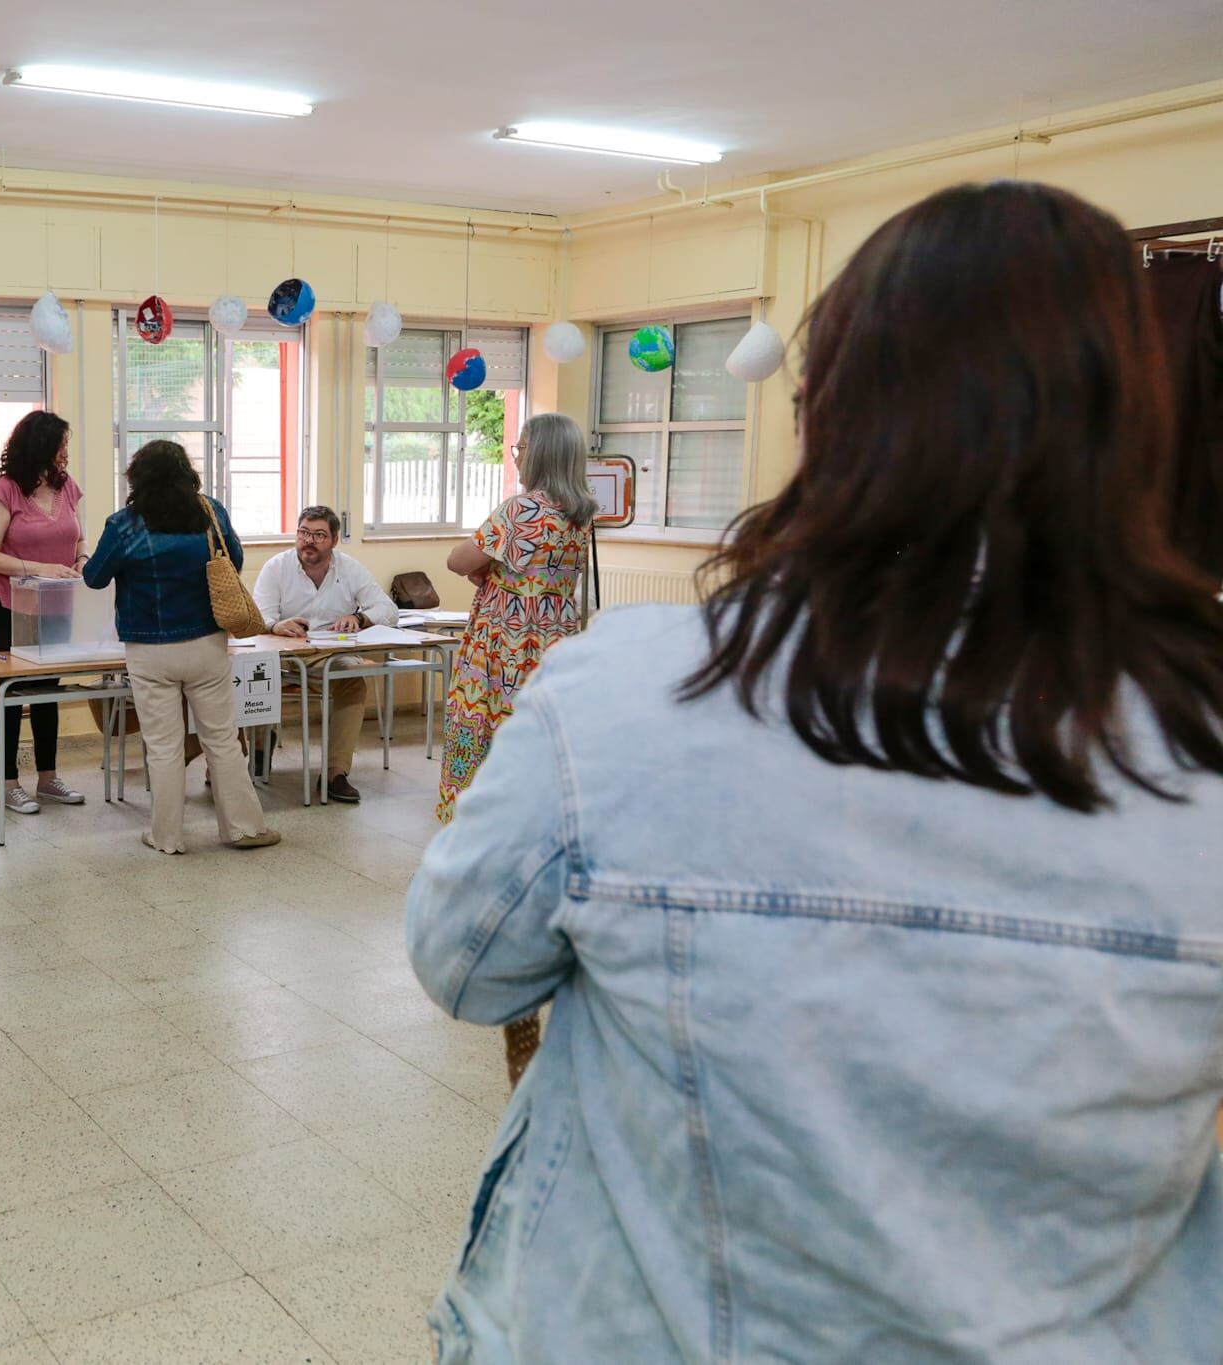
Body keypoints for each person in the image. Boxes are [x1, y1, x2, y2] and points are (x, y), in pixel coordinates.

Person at [406, 182, 1223, 1363]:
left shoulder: (629, 697)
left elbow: (463, 964)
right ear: (1140, 423)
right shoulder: (1193, 753)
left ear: (826, 409)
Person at [82, 440, 280, 855]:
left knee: (164, 746)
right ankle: (244, 828)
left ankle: (167, 836)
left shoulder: (123, 524)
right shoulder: (209, 512)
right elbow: (235, 559)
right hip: (207, 642)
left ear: (136, 478)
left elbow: (95, 578)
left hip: (149, 648)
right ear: (187, 473)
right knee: (222, 740)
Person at [436, 412, 594, 824]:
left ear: (539, 453)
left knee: (480, 732)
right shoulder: (581, 513)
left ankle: (472, 833)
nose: (516, 458)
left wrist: (483, 570)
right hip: (555, 641)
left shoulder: (521, 509)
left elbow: (458, 560)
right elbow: (536, 572)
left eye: (520, 448)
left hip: (503, 645)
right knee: (537, 739)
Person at [0, 410, 87, 815]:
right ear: (41, 447)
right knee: (16, 691)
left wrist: (83, 560)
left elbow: (79, 538)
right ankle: (9, 783)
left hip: (57, 600)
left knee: (47, 691)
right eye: (61, 446)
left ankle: (47, 778)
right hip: (11, 604)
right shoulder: (6, 490)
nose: (65, 454)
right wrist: (39, 569)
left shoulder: (67, 487)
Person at [252, 504, 399, 803]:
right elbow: (257, 616)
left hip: (331, 653)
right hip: (283, 656)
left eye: (319, 535)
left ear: (334, 540)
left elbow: (388, 610)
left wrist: (359, 619)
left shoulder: (350, 568)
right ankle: (258, 749)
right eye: (303, 532)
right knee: (255, 674)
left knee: (353, 676)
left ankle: (335, 772)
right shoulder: (276, 567)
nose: (309, 540)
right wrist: (277, 625)